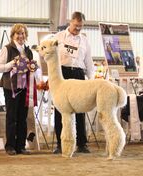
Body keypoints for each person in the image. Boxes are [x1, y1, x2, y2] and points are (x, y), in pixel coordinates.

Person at [53, 11, 95, 154]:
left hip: (78, 74)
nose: (78, 29)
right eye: (76, 26)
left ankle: (82, 143)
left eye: (81, 26)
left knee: (80, 109)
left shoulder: (85, 40)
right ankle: (60, 144)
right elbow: (50, 56)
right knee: (60, 109)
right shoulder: (58, 37)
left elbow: (89, 62)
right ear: (70, 22)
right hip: (62, 74)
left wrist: (92, 80)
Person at [0, 23, 33, 155]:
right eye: (18, 33)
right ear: (13, 35)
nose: (20, 36)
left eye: (22, 33)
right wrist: (12, 64)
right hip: (10, 87)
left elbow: (31, 69)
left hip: (24, 87)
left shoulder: (28, 51)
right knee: (11, 117)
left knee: (23, 117)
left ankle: (21, 146)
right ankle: (10, 146)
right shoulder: (7, 49)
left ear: (25, 35)